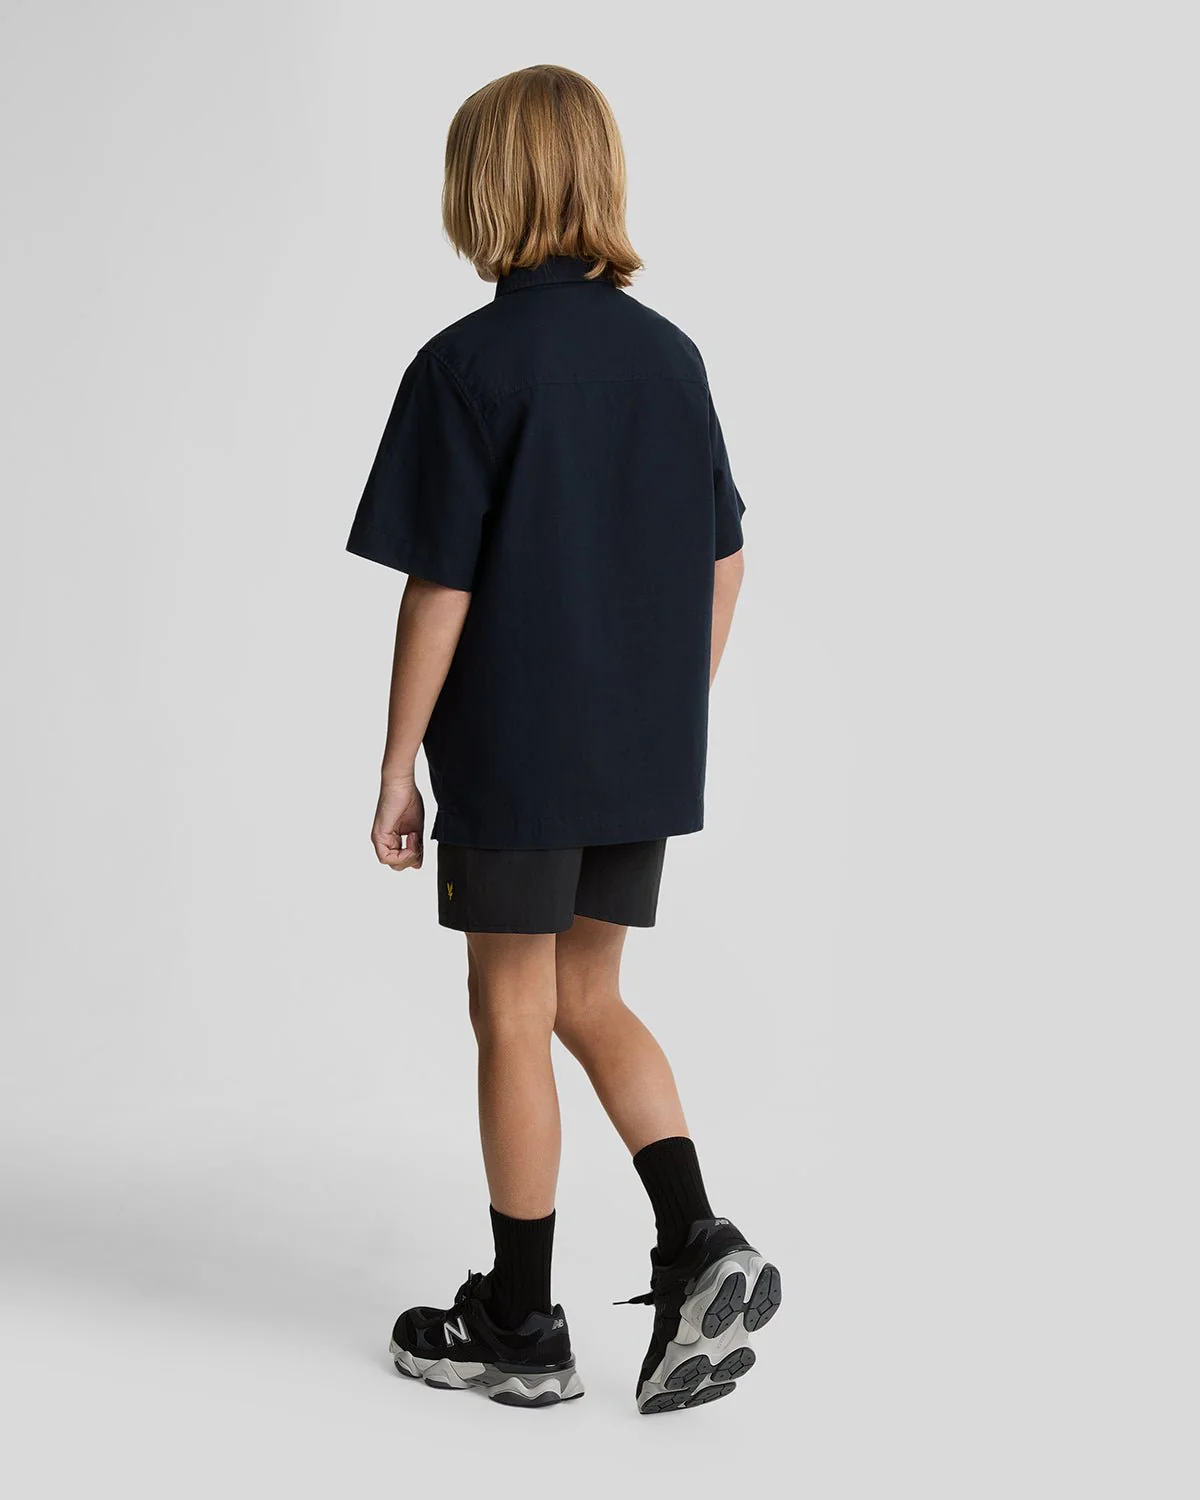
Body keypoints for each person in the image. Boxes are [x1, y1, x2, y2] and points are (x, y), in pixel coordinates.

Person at [347, 63, 780, 1415]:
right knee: (590, 998)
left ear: (482, 189)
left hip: (519, 752)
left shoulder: (465, 366)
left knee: (512, 1010)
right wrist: (665, 709)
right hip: (636, 755)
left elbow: (440, 586)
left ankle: (519, 1322)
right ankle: (697, 1238)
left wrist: (397, 766)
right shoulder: (670, 357)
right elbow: (725, 559)